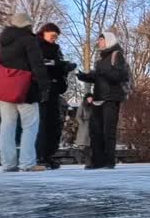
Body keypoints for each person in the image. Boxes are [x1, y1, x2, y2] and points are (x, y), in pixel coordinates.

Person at [0, 13, 51, 172]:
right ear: (27, 25)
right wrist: (45, 86)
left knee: (7, 126)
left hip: (5, 89)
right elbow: (37, 65)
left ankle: (8, 164)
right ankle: (27, 163)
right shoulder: (29, 40)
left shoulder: (3, 42)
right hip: (26, 90)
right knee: (30, 126)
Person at [77, 32, 130, 169]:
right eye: (99, 40)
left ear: (109, 41)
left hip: (111, 98)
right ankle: (97, 161)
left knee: (108, 131)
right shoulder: (99, 60)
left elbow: (121, 75)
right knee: (95, 131)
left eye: (101, 39)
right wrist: (84, 76)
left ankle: (109, 161)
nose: (99, 42)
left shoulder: (116, 55)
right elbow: (97, 77)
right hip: (98, 98)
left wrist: (104, 73)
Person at [35, 22, 76, 169]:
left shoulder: (56, 49)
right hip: (40, 88)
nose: (54, 39)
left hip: (54, 88)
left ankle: (48, 154)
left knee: (54, 124)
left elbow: (57, 66)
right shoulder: (35, 45)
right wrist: (57, 64)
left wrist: (65, 67)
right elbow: (39, 65)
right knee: (42, 123)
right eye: (52, 36)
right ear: (44, 32)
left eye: (56, 37)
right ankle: (39, 156)